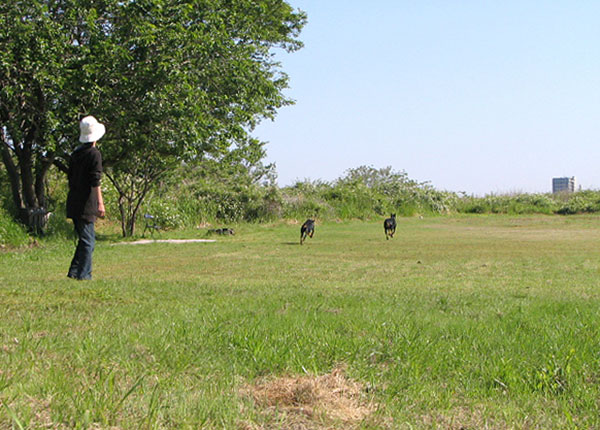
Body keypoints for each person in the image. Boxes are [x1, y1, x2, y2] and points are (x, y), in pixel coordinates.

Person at [66, 116, 106, 280]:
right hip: (86, 203)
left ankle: (75, 272)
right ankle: (84, 275)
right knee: (88, 241)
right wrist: (100, 203)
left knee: (84, 240)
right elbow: (95, 180)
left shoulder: (76, 154)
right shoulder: (94, 154)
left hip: (74, 200)